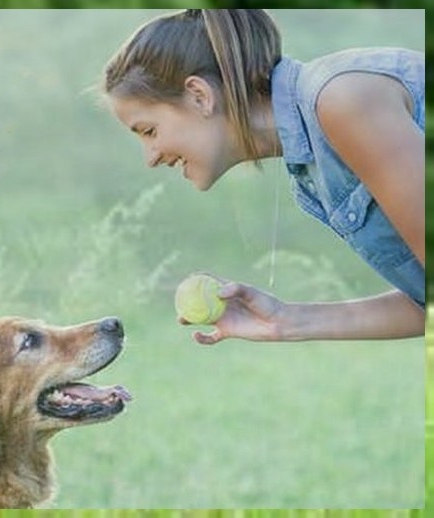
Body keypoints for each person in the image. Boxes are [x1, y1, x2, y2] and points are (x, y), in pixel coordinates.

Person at [102, 9, 424, 344]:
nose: (151, 158)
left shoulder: (342, 102)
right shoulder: (313, 166)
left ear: (200, 96)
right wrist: (286, 320)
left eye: (149, 131)